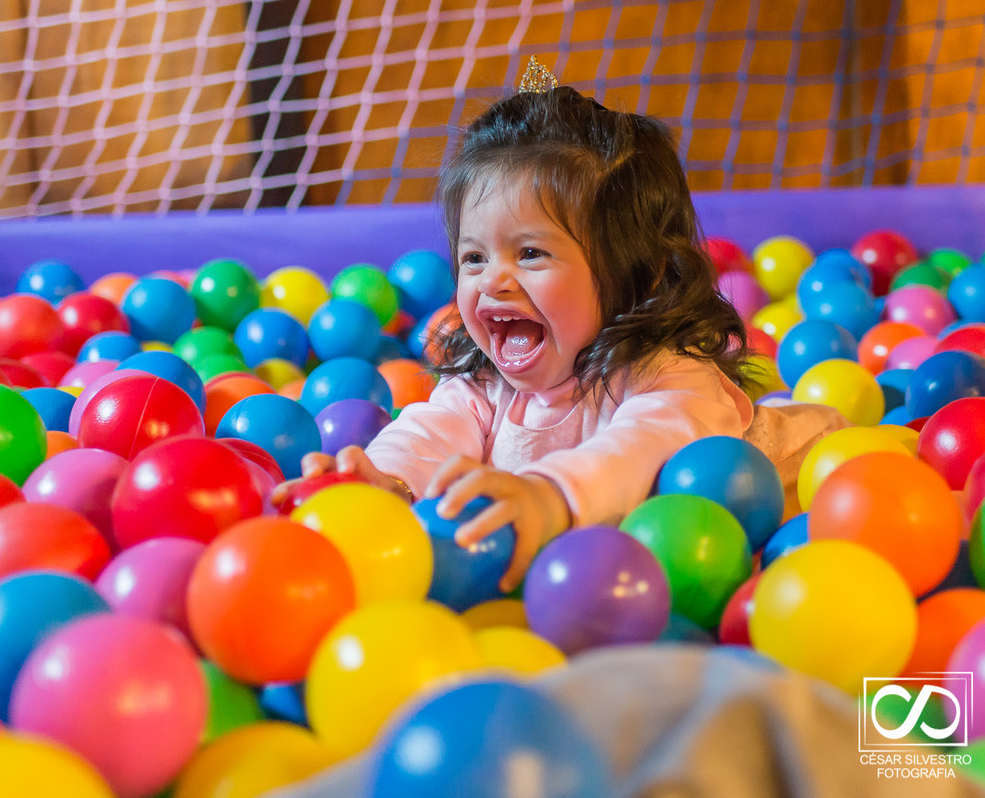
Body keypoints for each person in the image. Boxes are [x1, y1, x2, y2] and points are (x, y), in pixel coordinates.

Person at [273, 62, 841, 592]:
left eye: (530, 254)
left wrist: (549, 498)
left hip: (811, 482)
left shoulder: (670, 379)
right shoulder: (485, 387)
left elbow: (637, 451)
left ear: (633, 273)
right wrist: (384, 483)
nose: (492, 281)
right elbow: (428, 433)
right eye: (473, 258)